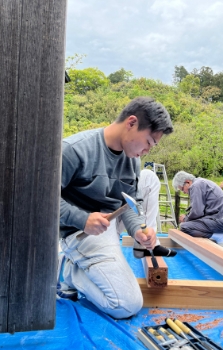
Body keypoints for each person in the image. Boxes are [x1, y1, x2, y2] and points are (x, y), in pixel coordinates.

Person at [58, 97, 174, 319]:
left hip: (108, 226)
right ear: (131, 123)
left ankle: (87, 263)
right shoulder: (74, 150)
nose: (147, 151)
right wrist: (83, 219)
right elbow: (43, 203)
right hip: (80, 233)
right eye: (149, 142)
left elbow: (129, 203)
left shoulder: (132, 160)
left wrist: (138, 230)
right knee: (126, 305)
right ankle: (70, 272)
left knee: (148, 180)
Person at [172, 171, 223, 239]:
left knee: (184, 227)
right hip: (221, 220)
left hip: (221, 221)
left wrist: (185, 218)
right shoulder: (200, 183)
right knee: (187, 225)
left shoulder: (196, 186)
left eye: (182, 189)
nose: (184, 192)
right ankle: (216, 236)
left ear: (188, 182)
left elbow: (197, 212)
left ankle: (218, 237)